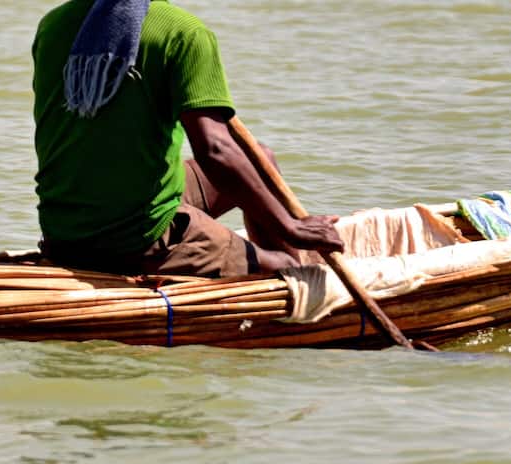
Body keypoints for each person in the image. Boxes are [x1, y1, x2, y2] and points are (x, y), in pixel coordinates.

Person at [31, 0, 342, 278]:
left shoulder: (53, 24)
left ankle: (259, 254)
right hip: (140, 238)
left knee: (260, 159)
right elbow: (215, 150)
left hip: (63, 232)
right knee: (291, 270)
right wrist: (289, 227)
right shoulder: (184, 33)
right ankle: (280, 269)